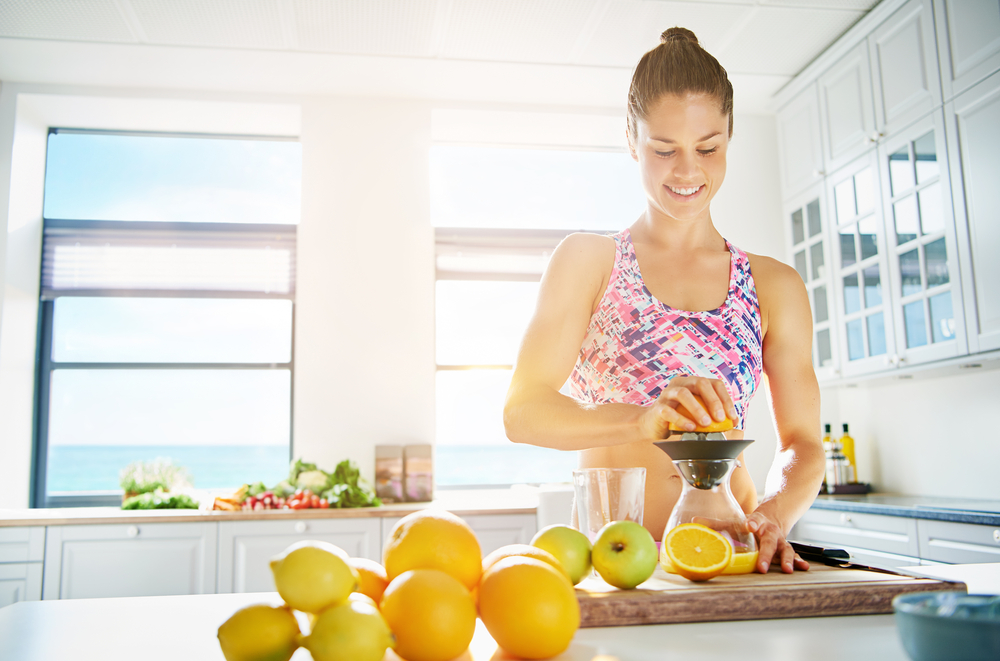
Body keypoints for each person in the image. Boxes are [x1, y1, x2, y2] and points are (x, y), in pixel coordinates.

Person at [503, 27, 825, 574]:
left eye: (708, 147)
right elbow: (523, 412)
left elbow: (803, 445)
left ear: (728, 139)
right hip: (616, 565)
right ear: (632, 142)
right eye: (663, 149)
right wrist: (641, 420)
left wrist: (773, 514)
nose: (688, 171)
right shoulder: (590, 261)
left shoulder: (773, 284)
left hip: (732, 557)